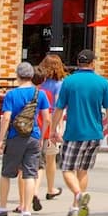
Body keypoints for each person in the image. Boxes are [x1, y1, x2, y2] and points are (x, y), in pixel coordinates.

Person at [52, 50, 108, 216]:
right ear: (92, 63)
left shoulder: (69, 81)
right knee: (83, 170)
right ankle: (75, 206)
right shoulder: (102, 82)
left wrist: (53, 130)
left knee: (66, 168)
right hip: (95, 133)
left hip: (74, 132)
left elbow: (59, 108)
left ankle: (79, 196)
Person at [0, 62, 51, 216]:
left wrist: (0, 140)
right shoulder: (40, 94)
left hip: (15, 136)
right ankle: (26, 211)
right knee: (30, 174)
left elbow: (6, 118)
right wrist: (41, 137)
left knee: (6, 173)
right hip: (33, 137)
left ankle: (3, 207)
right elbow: (47, 118)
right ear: (32, 76)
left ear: (18, 76)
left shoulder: (11, 95)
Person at [36, 54, 68, 201]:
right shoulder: (59, 84)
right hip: (50, 123)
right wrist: (58, 127)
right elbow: (58, 107)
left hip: (36, 122)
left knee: (37, 159)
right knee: (50, 159)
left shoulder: (39, 82)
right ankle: (49, 188)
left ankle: (33, 188)